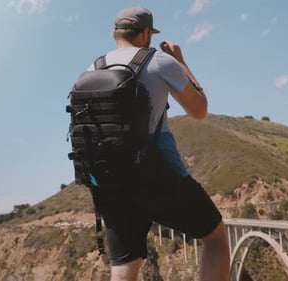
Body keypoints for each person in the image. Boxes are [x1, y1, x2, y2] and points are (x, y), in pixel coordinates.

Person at [85, 6, 230, 281]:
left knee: (125, 266)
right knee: (216, 237)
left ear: (116, 33)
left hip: (107, 183)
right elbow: (199, 110)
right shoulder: (159, 61)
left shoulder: (91, 69)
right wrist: (181, 61)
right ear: (145, 34)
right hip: (158, 176)